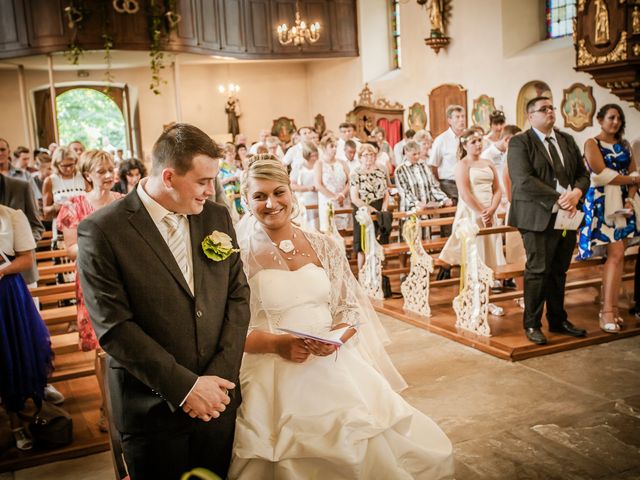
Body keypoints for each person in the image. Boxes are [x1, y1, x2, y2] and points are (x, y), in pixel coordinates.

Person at [228, 155, 454, 479]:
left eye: (279, 192)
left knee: (363, 435)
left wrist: (335, 339)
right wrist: (278, 345)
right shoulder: (239, 257)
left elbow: (349, 308)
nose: (271, 203)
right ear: (245, 200)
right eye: (259, 196)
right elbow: (229, 329)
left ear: (291, 192)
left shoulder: (324, 245)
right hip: (271, 368)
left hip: (332, 360)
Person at [77, 123, 251, 480]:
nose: (211, 190)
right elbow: (114, 328)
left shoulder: (215, 216)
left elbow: (237, 295)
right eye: (203, 182)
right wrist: (185, 387)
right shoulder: (102, 230)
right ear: (169, 176)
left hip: (217, 401)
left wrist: (217, 379)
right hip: (151, 407)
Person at [507, 96, 590, 345]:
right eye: (544, 109)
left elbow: (582, 173)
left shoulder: (565, 139)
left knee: (558, 270)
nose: (550, 112)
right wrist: (560, 197)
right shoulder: (520, 142)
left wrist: (576, 193)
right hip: (536, 216)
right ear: (531, 116)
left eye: (551, 108)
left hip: (567, 216)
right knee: (538, 270)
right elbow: (523, 179)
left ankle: (557, 319)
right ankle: (532, 323)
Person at [57, 150, 124, 432]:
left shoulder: (122, 202)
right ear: (87, 174)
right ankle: (107, 408)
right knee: (103, 349)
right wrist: (101, 250)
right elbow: (70, 247)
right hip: (93, 282)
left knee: (126, 343)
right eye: (101, 171)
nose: (108, 175)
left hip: (124, 280)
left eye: (111, 169)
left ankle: (127, 404)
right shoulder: (74, 206)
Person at [577, 104, 640, 333]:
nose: (616, 122)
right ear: (600, 119)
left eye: (619, 118)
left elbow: (634, 172)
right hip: (602, 205)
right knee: (616, 255)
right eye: (611, 117)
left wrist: (630, 200)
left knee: (619, 256)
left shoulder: (624, 144)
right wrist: (633, 181)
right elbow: (601, 174)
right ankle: (607, 312)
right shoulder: (592, 143)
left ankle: (612, 307)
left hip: (625, 204)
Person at [0, 205, 54, 451]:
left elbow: (25, 259)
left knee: (11, 356)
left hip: (6, 295)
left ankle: (16, 421)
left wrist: (2, 269)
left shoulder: (11, 216)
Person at [438, 129, 506, 302]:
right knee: (475, 256)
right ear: (465, 145)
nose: (478, 144)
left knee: (490, 254)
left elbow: (497, 189)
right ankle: (474, 297)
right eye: (473, 141)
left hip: (490, 212)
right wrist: (482, 212)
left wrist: (491, 210)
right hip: (471, 213)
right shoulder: (462, 164)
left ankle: (486, 298)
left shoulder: (488, 163)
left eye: (479, 140)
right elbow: (465, 193)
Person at [350, 143, 390, 270]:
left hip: (379, 208)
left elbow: (385, 192)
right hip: (362, 209)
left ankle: (377, 272)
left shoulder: (381, 170)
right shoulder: (356, 173)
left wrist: (384, 208)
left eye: (372, 154)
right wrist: (370, 209)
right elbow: (354, 198)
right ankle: (362, 275)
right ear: (360, 157)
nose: (369, 158)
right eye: (365, 155)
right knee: (362, 245)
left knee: (377, 242)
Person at [428, 105, 466, 204]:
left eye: (463, 116)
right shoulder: (441, 140)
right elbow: (434, 166)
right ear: (449, 120)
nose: (461, 120)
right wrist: (441, 183)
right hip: (449, 185)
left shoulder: (468, 137)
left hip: (468, 183)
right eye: (457, 117)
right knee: (451, 216)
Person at [315, 135, 350, 232]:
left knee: (344, 231)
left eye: (335, 146)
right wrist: (334, 197)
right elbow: (318, 185)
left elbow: (351, 181)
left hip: (343, 201)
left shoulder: (342, 163)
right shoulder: (319, 164)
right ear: (324, 148)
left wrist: (342, 195)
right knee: (329, 231)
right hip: (327, 201)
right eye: (331, 146)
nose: (334, 149)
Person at [290, 142, 319, 230]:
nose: (314, 158)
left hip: (318, 198)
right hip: (304, 199)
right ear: (306, 155)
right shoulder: (299, 167)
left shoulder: (320, 165)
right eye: (312, 156)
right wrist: (307, 188)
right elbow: (292, 185)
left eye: (315, 155)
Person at [218, 143, 244, 214]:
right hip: (228, 193)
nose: (232, 156)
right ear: (225, 154)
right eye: (230, 154)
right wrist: (229, 179)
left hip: (239, 191)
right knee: (230, 213)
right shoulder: (221, 165)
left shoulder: (238, 164)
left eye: (234, 153)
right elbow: (219, 182)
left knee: (241, 211)